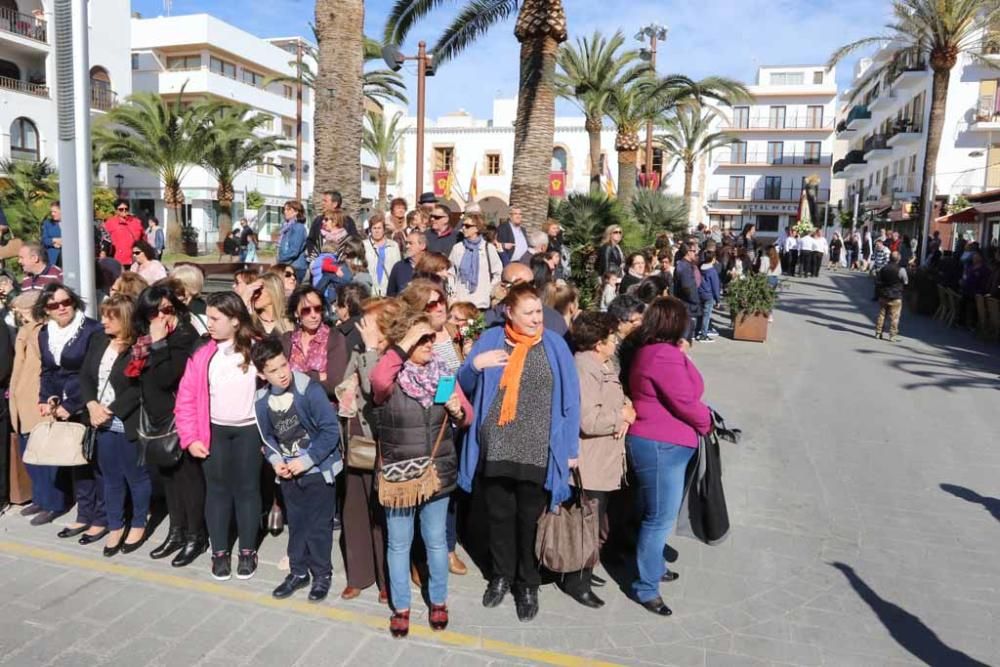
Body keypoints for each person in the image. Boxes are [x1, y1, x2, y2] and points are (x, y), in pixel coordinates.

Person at [457, 283, 580, 622]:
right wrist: (475, 365)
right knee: (497, 518)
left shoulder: (554, 345)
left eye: (539, 311)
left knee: (529, 520)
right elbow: (462, 386)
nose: (536, 319)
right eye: (528, 313)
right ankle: (500, 577)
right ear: (509, 312)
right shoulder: (490, 340)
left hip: (538, 448)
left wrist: (570, 449)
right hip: (497, 444)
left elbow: (571, 400)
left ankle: (527, 583)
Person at [371, 313, 474, 637]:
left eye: (432, 337)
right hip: (399, 476)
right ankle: (401, 607)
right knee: (400, 544)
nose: (431, 343)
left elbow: (467, 416)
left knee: (435, 541)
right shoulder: (391, 377)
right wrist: (405, 340)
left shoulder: (443, 374)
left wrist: (459, 412)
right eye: (423, 339)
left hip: (436, 472)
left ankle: (439, 602)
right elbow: (376, 380)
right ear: (406, 342)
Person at [625, 296, 712, 616]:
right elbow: (687, 398)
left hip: (661, 443)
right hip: (662, 444)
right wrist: (706, 423)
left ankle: (655, 566)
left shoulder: (656, 351)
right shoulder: (664, 356)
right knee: (659, 519)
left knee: (657, 513)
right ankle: (647, 587)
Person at [175, 292, 265, 581]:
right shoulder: (203, 354)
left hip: (250, 431)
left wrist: (272, 438)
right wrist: (191, 438)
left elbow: (278, 387)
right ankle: (220, 552)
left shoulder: (257, 349)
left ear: (235, 321)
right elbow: (186, 398)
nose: (209, 323)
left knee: (248, 490)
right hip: (213, 430)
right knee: (217, 491)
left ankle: (248, 551)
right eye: (209, 317)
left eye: (216, 318)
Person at [253, 337, 343, 602]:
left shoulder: (308, 390)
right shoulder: (261, 401)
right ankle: (298, 571)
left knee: (319, 527)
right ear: (261, 374)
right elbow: (267, 439)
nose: (282, 373)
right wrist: (275, 461)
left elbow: (330, 432)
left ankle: (322, 574)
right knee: (297, 525)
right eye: (273, 370)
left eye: (284, 365)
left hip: (317, 470)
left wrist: (306, 461)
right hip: (288, 474)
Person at [559, 311, 633, 608]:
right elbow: (588, 420)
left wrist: (627, 409)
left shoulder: (601, 363)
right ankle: (577, 580)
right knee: (586, 520)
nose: (615, 341)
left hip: (604, 458)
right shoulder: (584, 368)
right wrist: (621, 417)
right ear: (599, 343)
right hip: (590, 460)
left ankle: (587, 568)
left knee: (595, 517)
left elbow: (618, 397)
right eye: (611, 337)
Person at [131, 283, 207, 566]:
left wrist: (160, 342)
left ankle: (195, 536)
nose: (161, 317)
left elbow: (167, 377)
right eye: (154, 312)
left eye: (167, 309)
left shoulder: (185, 337)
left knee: (189, 480)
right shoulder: (144, 339)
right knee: (170, 480)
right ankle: (177, 531)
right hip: (157, 421)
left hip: (181, 421)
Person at [337, 298, 400, 602]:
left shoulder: (396, 354)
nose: (362, 326)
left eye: (369, 321)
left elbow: (380, 391)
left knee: (382, 512)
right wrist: (345, 389)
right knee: (355, 508)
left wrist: (373, 351)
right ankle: (358, 575)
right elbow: (347, 380)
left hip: (384, 440)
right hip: (358, 437)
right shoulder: (360, 349)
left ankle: (388, 578)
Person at [80, 295, 149, 557]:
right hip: (100, 420)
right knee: (110, 477)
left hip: (124, 420)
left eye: (111, 316)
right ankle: (115, 525)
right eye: (103, 315)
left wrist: (109, 410)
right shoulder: (99, 340)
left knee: (136, 476)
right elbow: (85, 375)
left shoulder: (140, 346)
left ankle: (139, 523)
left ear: (126, 318)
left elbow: (138, 388)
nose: (104, 321)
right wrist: (91, 405)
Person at [36, 284, 106, 535]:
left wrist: (71, 403)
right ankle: (84, 513)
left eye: (66, 302)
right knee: (76, 461)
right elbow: (48, 370)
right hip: (63, 406)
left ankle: (102, 517)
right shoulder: (45, 332)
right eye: (54, 305)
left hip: (88, 402)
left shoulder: (92, 330)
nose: (62, 308)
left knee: (94, 461)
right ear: (46, 309)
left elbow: (93, 372)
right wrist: (46, 398)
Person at [9, 291, 69, 524]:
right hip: (23, 402)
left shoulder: (44, 331)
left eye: (20, 312)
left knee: (47, 456)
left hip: (39, 402)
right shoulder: (26, 331)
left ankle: (54, 502)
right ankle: (40, 498)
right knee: (30, 455)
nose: (18, 317)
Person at [483, 262, 568, 337]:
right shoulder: (489, 322)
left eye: (532, 283)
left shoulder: (553, 319)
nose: (528, 289)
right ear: (503, 287)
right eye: (521, 285)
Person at [449, 213, 502, 310]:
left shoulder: (488, 248)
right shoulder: (458, 248)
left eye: (468, 226)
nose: (464, 228)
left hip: (482, 303)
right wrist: (452, 294)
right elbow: (450, 273)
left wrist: (489, 290)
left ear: (477, 228)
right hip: (461, 302)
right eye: (463, 225)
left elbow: (498, 272)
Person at [308, 191, 360, 259]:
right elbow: (310, 241)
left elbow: (354, 241)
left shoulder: (347, 221)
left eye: (325, 201)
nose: (322, 203)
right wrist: (315, 258)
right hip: (319, 262)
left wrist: (345, 258)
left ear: (335, 204)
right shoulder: (318, 221)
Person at [363, 214, 402, 297]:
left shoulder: (393, 245)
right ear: (370, 230)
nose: (377, 231)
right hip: (370, 290)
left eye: (379, 228)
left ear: (384, 230)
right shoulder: (364, 245)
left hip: (388, 290)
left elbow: (398, 268)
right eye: (374, 228)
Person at [874, 250, 908, 342]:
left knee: (881, 314)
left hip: (884, 294)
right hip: (896, 295)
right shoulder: (901, 270)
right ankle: (892, 335)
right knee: (895, 317)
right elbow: (905, 281)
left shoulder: (883, 268)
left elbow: (878, 280)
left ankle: (878, 332)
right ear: (899, 259)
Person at [672, 243, 701, 342]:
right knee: (684, 339)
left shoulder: (683, 265)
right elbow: (687, 287)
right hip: (687, 305)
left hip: (685, 303)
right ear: (688, 252)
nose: (695, 254)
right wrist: (695, 300)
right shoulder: (684, 267)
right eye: (694, 251)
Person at [169, 264, 209, 335]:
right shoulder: (178, 306)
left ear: (189, 286)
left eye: (176, 285)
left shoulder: (197, 311)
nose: (172, 289)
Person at [104, 199, 144, 266]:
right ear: (116, 210)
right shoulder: (110, 223)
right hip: (118, 261)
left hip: (135, 261)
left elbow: (144, 240)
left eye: (126, 209)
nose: (124, 211)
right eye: (121, 209)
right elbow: (105, 242)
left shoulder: (136, 222)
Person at [387, 231, 426, 297]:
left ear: (422, 246)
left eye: (411, 243)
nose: (407, 246)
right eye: (406, 243)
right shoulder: (398, 267)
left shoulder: (431, 266)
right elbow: (391, 294)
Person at [278, 200, 309, 283]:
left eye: (288, 209)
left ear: (296, 212)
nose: (285, 212)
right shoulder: (287, 227)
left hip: (296, 267)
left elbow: (294, 251)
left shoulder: (298, 227)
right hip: (289, 265)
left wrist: (281, 261)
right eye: (284, 209)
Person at [696, 250, 721, 342]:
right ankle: (703, 334)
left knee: (700, 314)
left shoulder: (700, 268)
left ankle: (697, 331)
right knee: (707, 315)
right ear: (713, 259)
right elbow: (715, 286)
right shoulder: (712, 271)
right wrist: (717, 299)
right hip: (708, 295)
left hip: (700, 293)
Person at [41, 200, 62, 267]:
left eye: (55, 212)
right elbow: (44, 240)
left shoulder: (71, 223)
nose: (52, 214)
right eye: (51, 212)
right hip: (53, 257)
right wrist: (54, 240)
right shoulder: (47, 223)